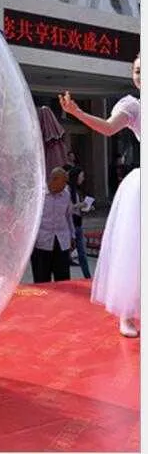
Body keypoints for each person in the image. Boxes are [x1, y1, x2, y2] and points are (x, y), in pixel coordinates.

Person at [59, 54, 140, 338]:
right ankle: (127, 314)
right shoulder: (133, 106)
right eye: (137, 69)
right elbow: (107, 128)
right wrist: (78, 113)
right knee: (134, 249)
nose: (139, 74)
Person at [30, 167, 74, 283]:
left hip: (61, 241)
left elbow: (68, 216)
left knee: (63, 278)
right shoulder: (38, 193)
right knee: (42, 279)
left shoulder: (66, 195)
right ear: (53, 180)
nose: (65, 186)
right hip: (42, 242)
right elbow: (31, 218)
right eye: (63, 182)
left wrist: (72, 236)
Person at [67, 166, 92, 279]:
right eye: (81, 176)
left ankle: (87, 276)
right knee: (74, 252)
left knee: (82, 253)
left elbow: (76, 207)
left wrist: (86, 207)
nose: (83, 178)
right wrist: (80, 205)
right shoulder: (68, 190)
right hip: (70, 225)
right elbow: (68, 208)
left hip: (78, 223)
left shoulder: (76, 190)